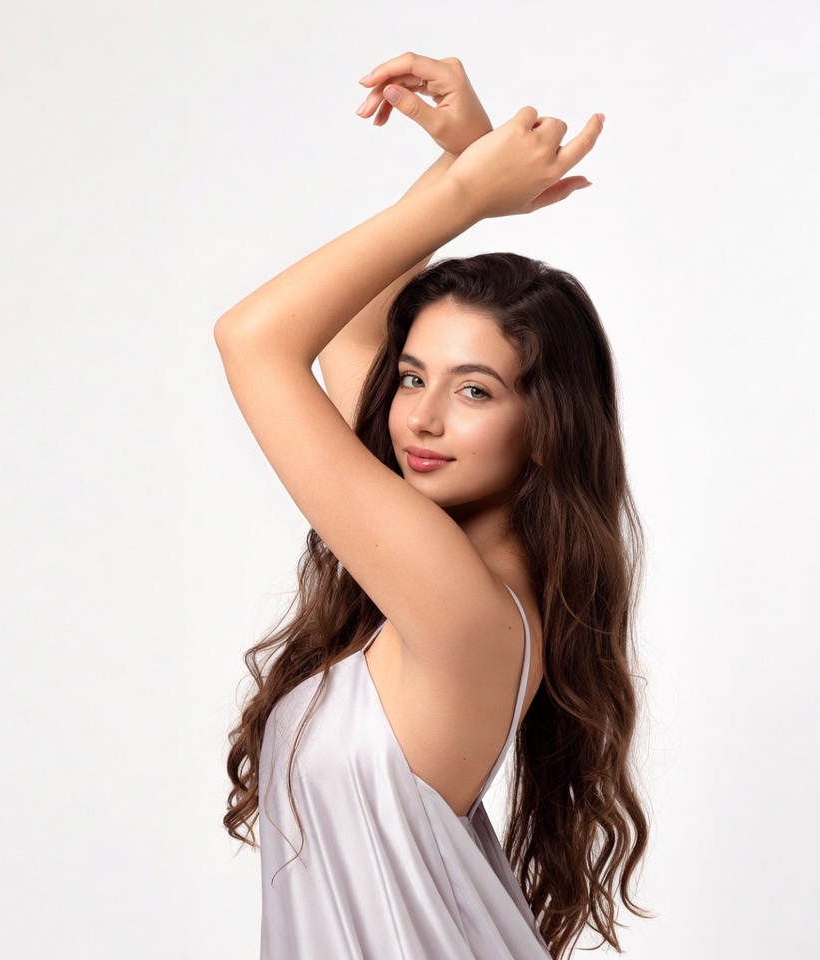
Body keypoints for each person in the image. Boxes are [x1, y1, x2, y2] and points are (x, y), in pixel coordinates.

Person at [214, 53, 650, 960]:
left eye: (475, 390)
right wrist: (465, 162)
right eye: (414, 377)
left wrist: (467, 196)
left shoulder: (458, 597)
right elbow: (351, 330)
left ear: (548, 427)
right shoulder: (470, 570)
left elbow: (253, 339)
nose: (421, 416)